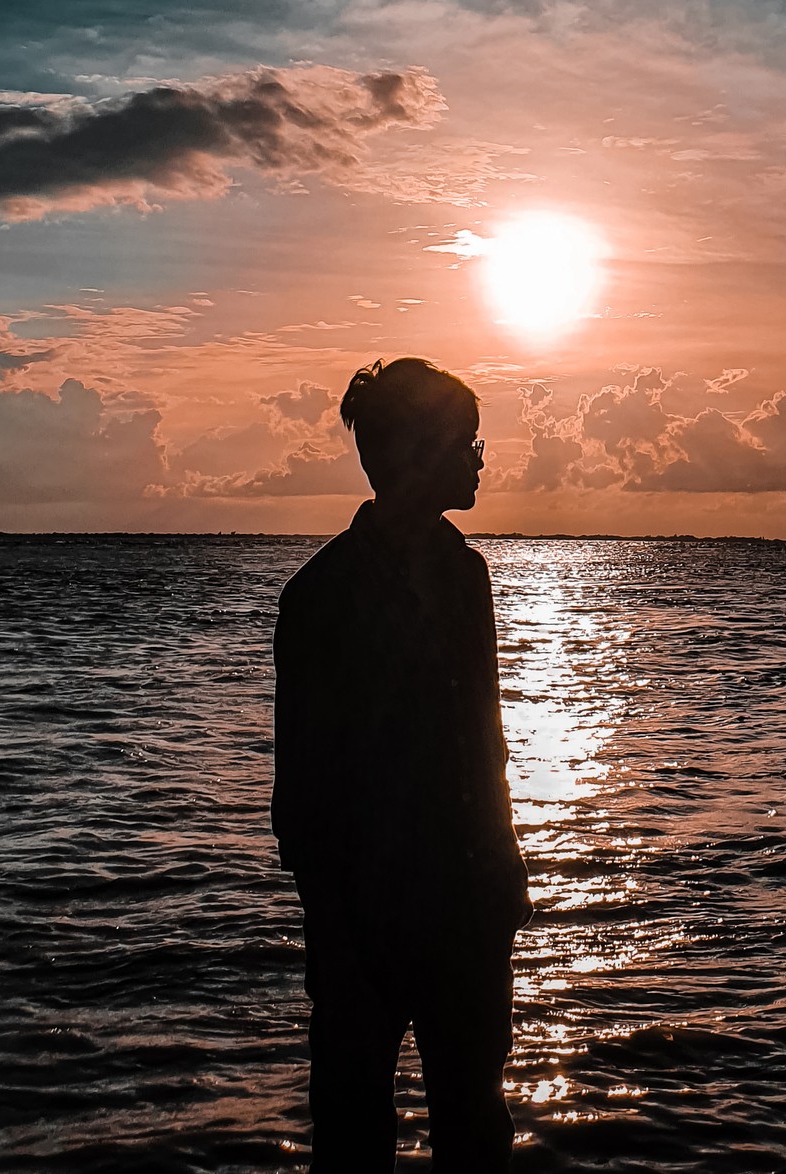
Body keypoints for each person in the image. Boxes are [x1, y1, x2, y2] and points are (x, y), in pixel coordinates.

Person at [272, 356, 531, 1171]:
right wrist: (340, 925)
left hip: (466, 915)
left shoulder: (467, 576)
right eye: (467, 444)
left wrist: (504, 879)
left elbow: (482, 743)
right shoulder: (321, 598)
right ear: (419, 451)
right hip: (364, 930)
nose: (478, 461)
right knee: (353, 1144)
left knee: (475, 1131)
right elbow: (304, 794)